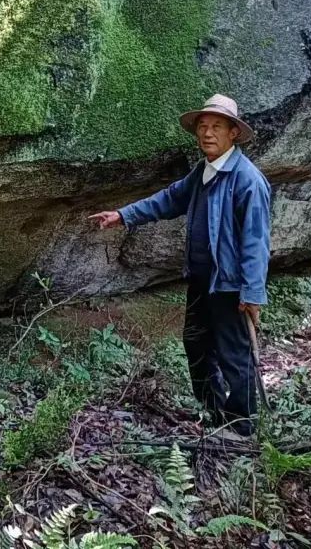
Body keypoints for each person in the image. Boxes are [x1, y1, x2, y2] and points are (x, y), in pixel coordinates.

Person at [89, 94, 271, 437]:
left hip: (230, 285)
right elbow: (170, 199)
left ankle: (241, 426)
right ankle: (213, 412)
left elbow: (256, 242)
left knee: (234, 354)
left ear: (233, 133)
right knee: (195, 343)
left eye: (216, 126)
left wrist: (252, 293)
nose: (207, 133)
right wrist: (123, 215)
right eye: (202, 126)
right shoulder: (203, 171)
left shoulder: (247, 180)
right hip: (202, 280)